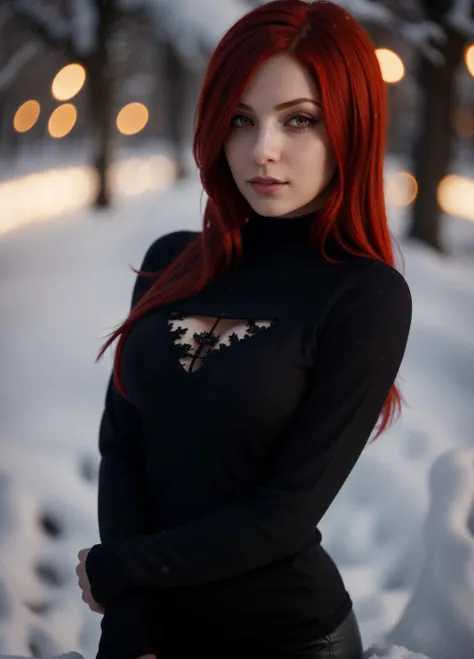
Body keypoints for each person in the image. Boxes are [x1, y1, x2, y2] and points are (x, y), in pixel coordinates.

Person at [75, 1, 412, 657]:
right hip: (149, 628)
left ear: (352, 128)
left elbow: (282, 514)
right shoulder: (171, 259)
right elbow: (124, 446)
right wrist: (130, 616)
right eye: (241, 120)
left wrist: (123, 571)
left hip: (288, 636)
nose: (264, 151)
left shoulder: (364, 296)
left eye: (300, 121)